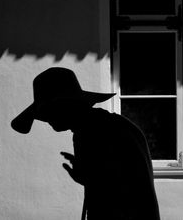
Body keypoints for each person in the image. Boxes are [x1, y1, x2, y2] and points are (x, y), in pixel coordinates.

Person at [11, 67, 160, 220]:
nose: (46, 120)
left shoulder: (94, 132)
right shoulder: (103, 126)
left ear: (64, 106)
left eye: (48, 112)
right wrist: (89, 177)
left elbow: (117, 195)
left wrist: (89, 177)